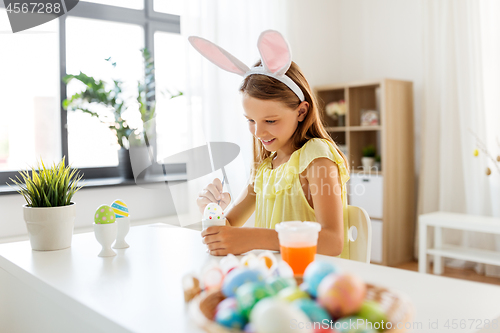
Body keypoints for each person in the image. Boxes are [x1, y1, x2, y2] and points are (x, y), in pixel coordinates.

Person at [190, 30, 350, 258]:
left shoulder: (317, 156)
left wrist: (255, 238)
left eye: (271, 120)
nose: (258, 131)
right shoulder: (265, 168)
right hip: (276, 280)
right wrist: (210, 212)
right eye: (250, 120)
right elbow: (228, 230)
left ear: (301, 111)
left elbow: (333, 242)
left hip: (311, 282)